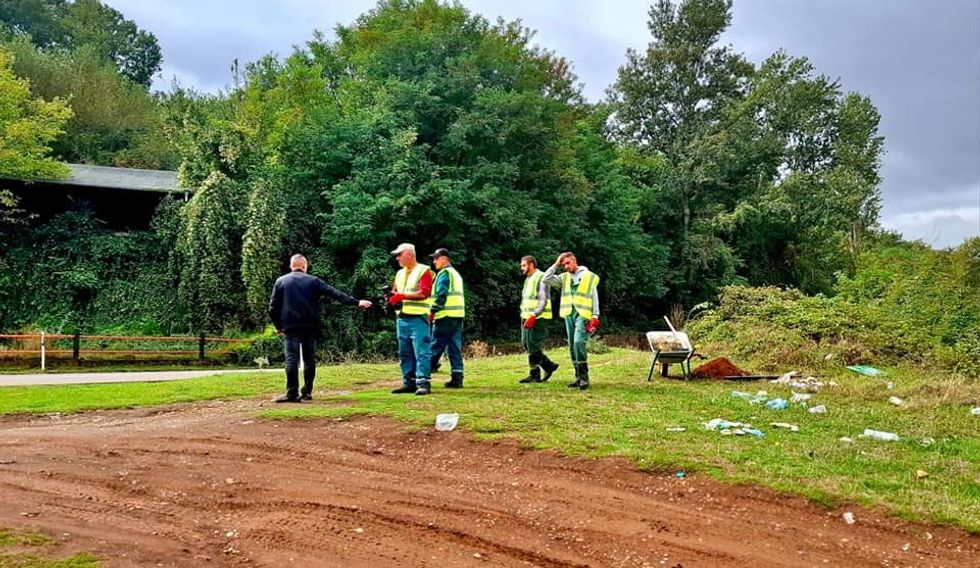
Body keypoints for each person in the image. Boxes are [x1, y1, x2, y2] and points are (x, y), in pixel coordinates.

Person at [269, 254, 372, 403]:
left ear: (291, 266)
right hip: (310, 325)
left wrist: (278, 326)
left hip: (289, 326)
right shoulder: (313, 281)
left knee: (291, 359)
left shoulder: (281, 281)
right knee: (309, 359)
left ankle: (292, 393)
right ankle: (307, 392)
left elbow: (273, 308)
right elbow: (335, 293)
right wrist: (356, 302)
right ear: (305, 266)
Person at [541, 252, 600, 390]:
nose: (566, 266)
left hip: (583, 314)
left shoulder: (587, 275)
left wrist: (595, 315)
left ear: (574, 261)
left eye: (568, 263)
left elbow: (594, 295)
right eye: (564, 264)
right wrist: (556, 264)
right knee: (572, 347)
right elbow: (546, 279)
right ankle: (578, 377)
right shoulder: (564, 277)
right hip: (568, 314)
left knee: (578, 342)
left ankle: (584, 376)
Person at [387, 243, 435, 395]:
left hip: (418, 317)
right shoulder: (399, 273)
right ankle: (409, 382)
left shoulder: (424, 271)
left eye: (400, 255)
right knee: (405, 352)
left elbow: (424, 293)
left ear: (409, 254)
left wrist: (402, 296)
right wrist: (391, 296)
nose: (397, 258)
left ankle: (423, 383)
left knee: (421, 351)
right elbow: (395, 290)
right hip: (402, 316)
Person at [427, 248, 466, 388]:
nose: (434, 261)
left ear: (444, 258)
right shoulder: (455, 274)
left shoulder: (444, 274)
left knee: (435, 346)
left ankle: (422, 376)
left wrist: (432, 312)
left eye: (436, 258)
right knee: (454, 347)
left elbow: (441, 295)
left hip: (445, 316)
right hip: (457, 315)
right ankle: (457, 377)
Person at [518, 255, 560, 384]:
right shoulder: (528, 279)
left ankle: (535, 374)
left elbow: (543, 300)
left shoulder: (541, 277)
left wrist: (534, 315)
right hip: (526, 316)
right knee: (526, 344)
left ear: (531, 265)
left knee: (533, 345)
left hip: (538, 317)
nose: (522, 268)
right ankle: (548, 366)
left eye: (524, 265)